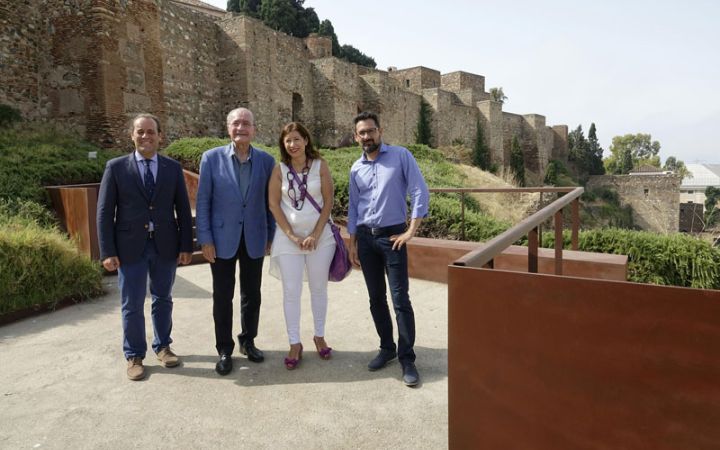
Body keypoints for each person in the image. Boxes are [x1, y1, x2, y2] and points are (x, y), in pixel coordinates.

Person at [97, 113, 193, 381]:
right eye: (140, 132)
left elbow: (183, 210)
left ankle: (163, 346)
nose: (145, 136)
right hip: (129, 247)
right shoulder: (115, 167)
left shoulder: (172, 168)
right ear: (132, 135)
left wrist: (186, 245)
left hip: (165, 245)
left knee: (163, 298)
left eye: (151, 132)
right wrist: (107, 251)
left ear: (159, 136)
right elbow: (105, 213)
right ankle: (134, 355)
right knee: (132, 303)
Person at [347, 111, 430, 387]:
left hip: (393, 237)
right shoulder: (355, 168)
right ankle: (387, 348)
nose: (367, 136)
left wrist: (411, 230)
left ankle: (407, 358)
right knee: (375, 298)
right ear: (356, 136)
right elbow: (353, 207)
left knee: (400, 299)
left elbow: (419, 190)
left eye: (371, 130)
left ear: (380, 131)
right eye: (362, 132)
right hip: (366, 239)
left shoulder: (401, 156)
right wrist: (353, 243)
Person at [195, 107, 276, 376]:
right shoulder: (211, 158)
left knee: (252, 295)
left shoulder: (266, 161)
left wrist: (270, 234)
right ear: (228, 127)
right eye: (236, 123)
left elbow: (271, 202)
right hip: (220, 239)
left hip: (254, 237)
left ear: (254, 129)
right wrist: (204, 238)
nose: (241, 128)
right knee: (222, 296)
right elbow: (203, 201)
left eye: (247, 124)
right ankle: (224, 349)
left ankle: (248, 340)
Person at [268, 122, 335, 370]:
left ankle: (319, 335)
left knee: (319, 289)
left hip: (321, 238)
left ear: (306, 140)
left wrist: (316, 234)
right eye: (288, 141)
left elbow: (328, 200)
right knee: (291, 291)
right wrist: (292, 236)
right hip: (288, 240)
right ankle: (294, 342)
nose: (293, 145)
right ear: (283, 145)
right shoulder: (279, 170)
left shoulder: (321, 166)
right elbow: (274, 204)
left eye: (297, 139)